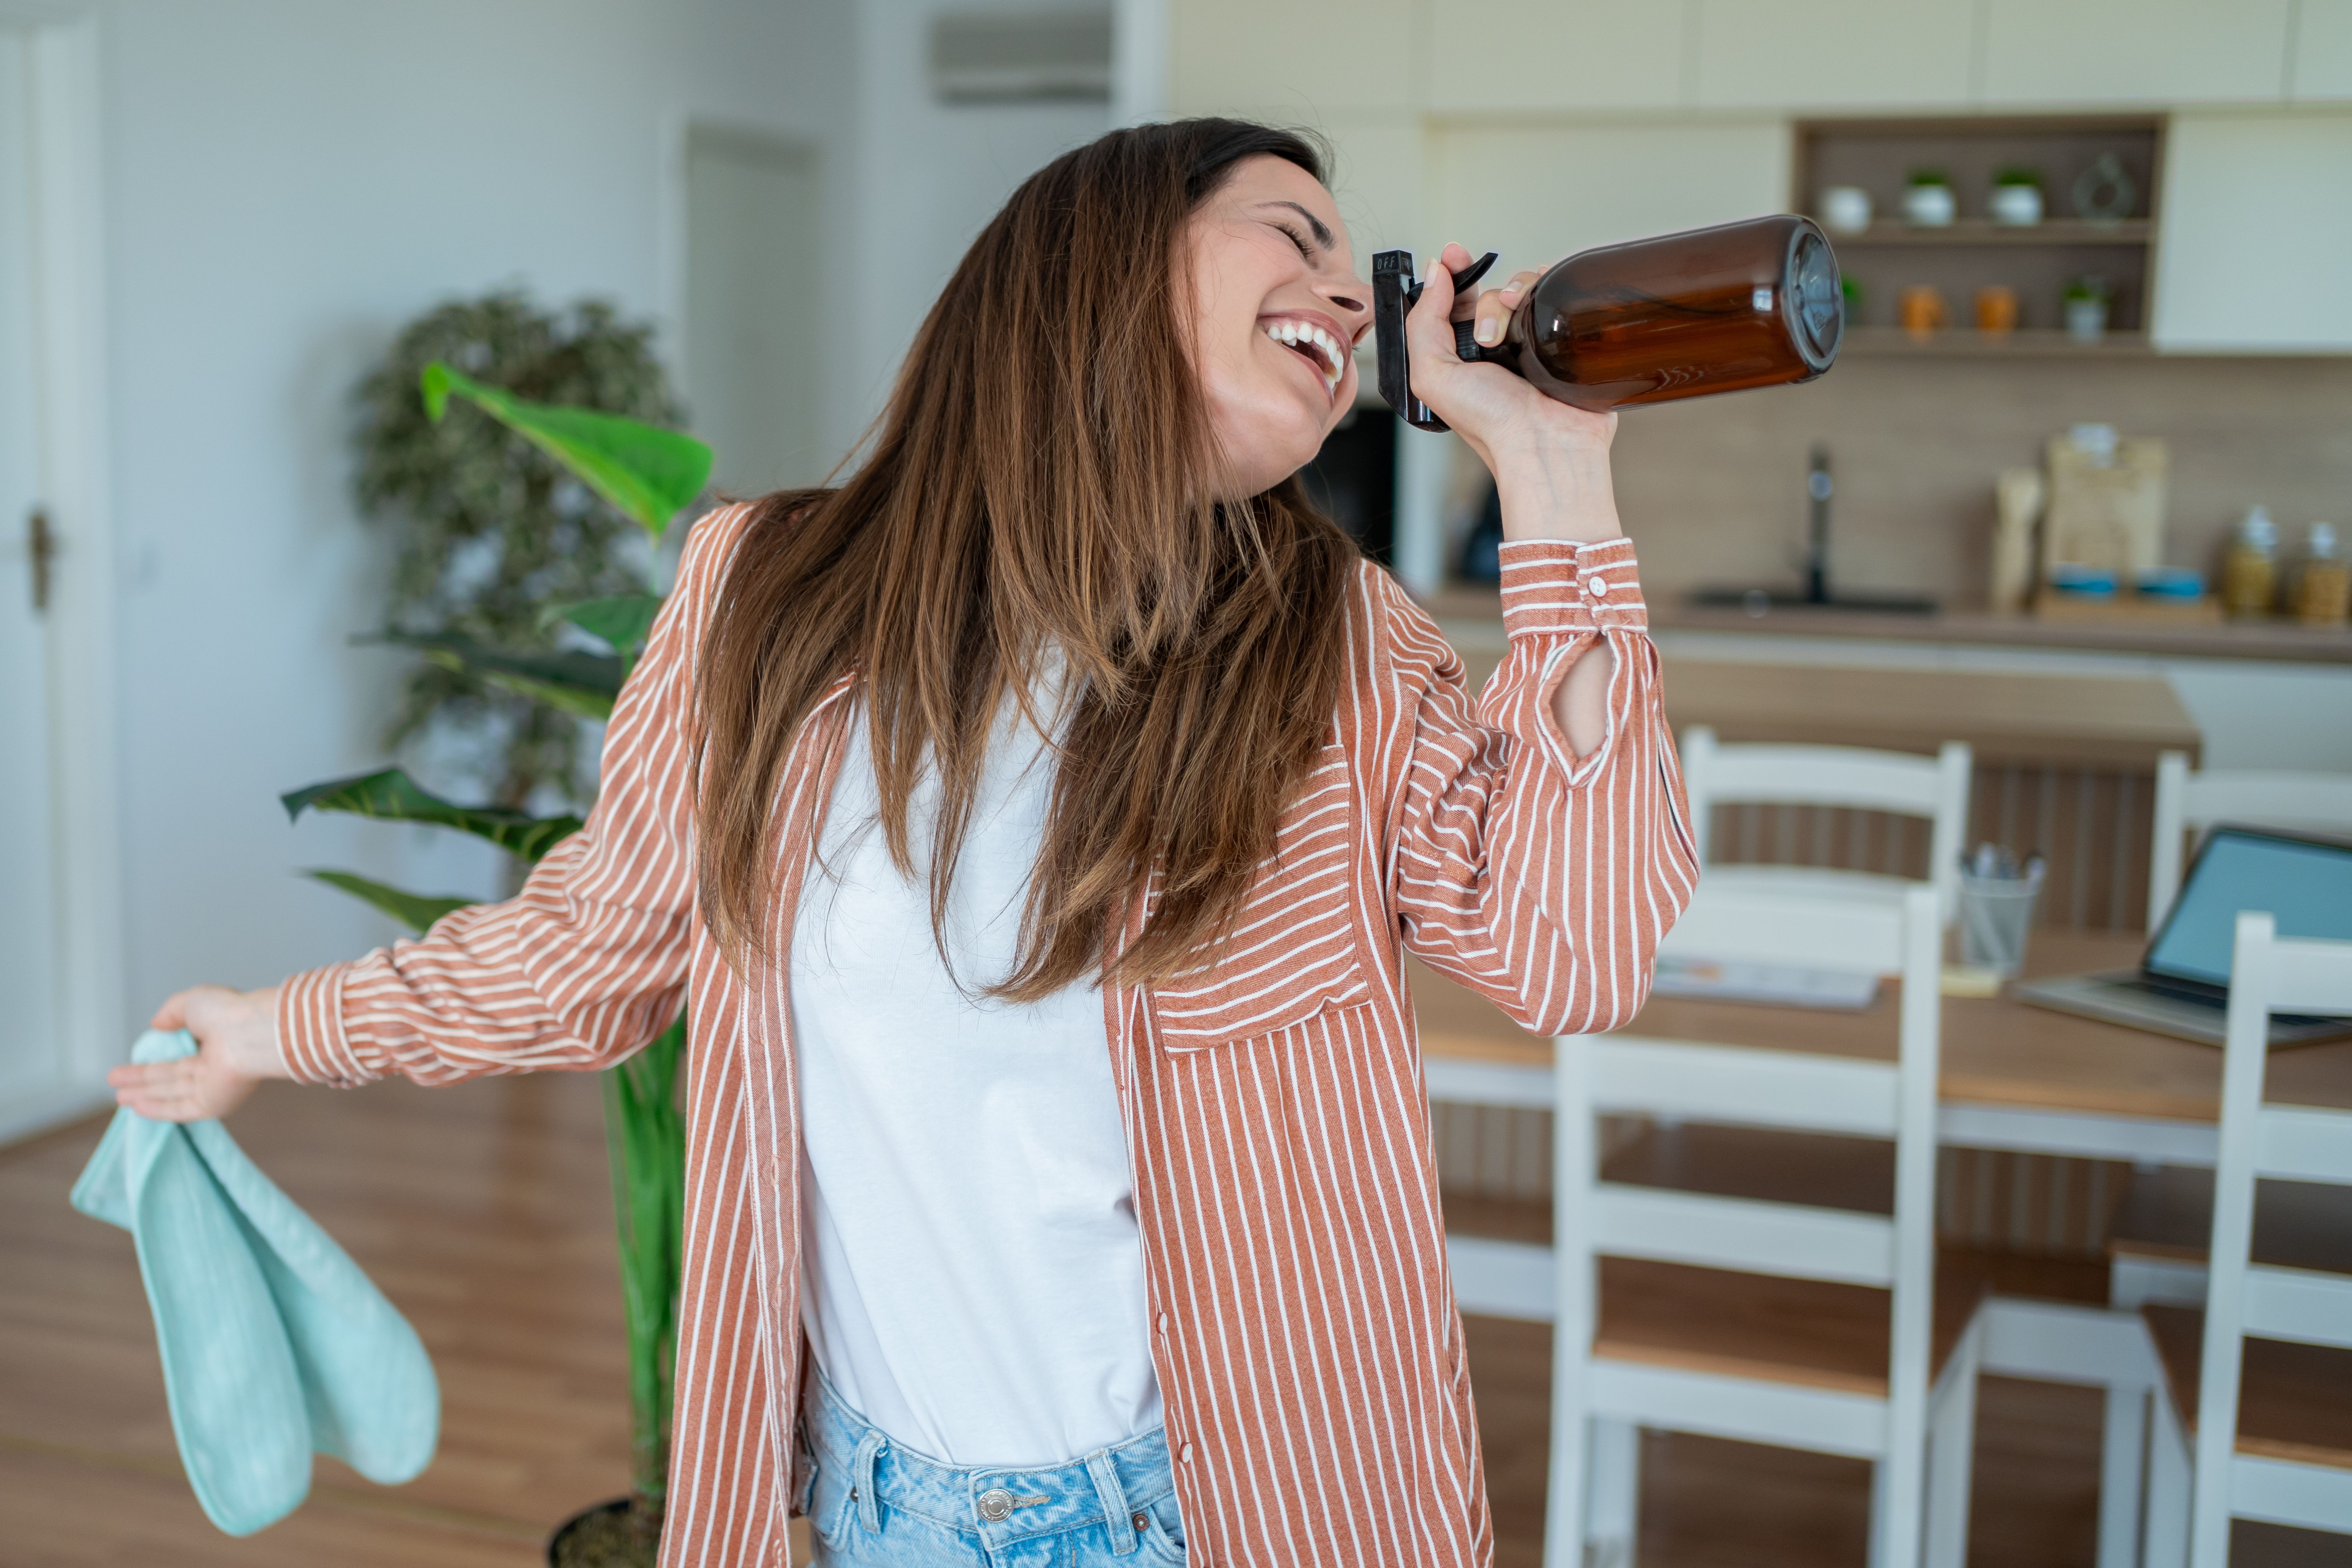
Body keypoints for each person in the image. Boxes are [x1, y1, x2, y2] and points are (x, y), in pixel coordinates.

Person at [112, 119, 1696, 1568]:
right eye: (1295, 237)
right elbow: (594, 953)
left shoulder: (1337, 646)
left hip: (1246, 1503)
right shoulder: (762, 599)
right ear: (1101, 265)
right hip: (894, 1507)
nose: (1349, 300)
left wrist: (1557, 465)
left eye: (1354, 274)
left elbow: (1572, 956)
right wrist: (274, 1028)